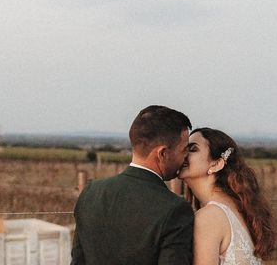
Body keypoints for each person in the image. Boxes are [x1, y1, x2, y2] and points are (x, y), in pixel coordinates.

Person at [71, 105, 194, 265]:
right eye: (184, 150)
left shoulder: (90, 193)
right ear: (162, 153)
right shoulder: (175, 209)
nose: (186, 157)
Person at [178, 128, 277, 265]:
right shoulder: (237, 208)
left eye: (193, 149)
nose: (184, 154)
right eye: (184, 148)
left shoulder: (209, 217)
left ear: (216, 164)